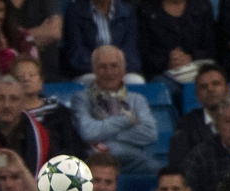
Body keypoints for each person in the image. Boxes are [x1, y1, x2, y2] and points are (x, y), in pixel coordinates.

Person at [70, 46, 159, 175]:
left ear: (123, 69)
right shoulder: (81, 98)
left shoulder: (137, 99)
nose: (109, 72)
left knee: (156, 169)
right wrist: (126, 120)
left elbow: (150, 133)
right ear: (94, 69)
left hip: (133, 161)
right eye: (102, 67)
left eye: (114, 66)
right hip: (96, 162)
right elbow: (88, 132)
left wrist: (106, 139)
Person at [11, 57, 87, 160]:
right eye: (20, 76)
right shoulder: (5, 114)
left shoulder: (59, 112)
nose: (26, 79)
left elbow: (73, 149)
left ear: (41, 80)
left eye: (32, 75)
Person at [0, 75, 50, 176]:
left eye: (14, 99)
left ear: (23, 103)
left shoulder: (41, 135)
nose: (7, 105)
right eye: (0, 98)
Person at [135, 0, 216, 88]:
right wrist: (167, 61)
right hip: (160, 74)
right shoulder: (144, 9)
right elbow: (142, 51)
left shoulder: (202, 7)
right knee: (162, 87)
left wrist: (191, 57)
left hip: (197, 70)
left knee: (208, 85)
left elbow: (212, 48)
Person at [168, 64, 230, 169]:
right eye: (204, 87)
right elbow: (179, 166)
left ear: (228, 90)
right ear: (197, 96)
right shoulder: (186, 125)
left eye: (216, 84)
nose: (210, 89)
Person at [60, 0, 142, 80]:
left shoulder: (127, 11)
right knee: (92, 80)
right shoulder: (75, 11)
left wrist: (115, 67)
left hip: (119, 70)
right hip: (88, 70)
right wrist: (102, 66)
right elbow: (76, 54)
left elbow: (131, 51)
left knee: (135, 80)